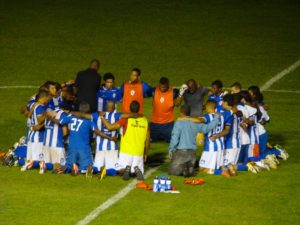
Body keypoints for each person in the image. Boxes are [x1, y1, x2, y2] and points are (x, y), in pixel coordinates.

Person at [49, 102, 114, 176]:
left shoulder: (71, 117)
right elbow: (98, 132)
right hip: (84, 148)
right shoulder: (89, 121)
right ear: (89, 110)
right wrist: (109, 137)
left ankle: (64, 169)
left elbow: (60, 122)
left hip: (72, 146)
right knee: (88, 166)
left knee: (68, 164)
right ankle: (81, 170)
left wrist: (49, 117)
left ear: (79, 109)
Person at [100, 101, 150, 181]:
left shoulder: (125, 120)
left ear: (129, 109)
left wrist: (102, 118)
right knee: (138, 169)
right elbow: (147, 140)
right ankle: (135, 170)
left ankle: (127, 169)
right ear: (139, 109)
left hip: (125, 152)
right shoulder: (145, 121)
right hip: (138, 152)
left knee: (119, 170)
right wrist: (145, 153)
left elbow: (110, 127)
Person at [70, 101, 122, 177]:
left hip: (99, 148)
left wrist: (70, 112)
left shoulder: (96, 115)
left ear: (105, 107)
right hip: (112, 147)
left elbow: (82, 115)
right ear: (114, 108)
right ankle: (105, 171)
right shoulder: (118, 115)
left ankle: (91, 169)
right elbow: (131, 115)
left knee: (96, 168)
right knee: (115, 170)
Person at [168, 104, 220, 177]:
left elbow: (175, 138)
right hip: (192, 153)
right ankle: (189, 166)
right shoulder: (195, 123)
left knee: (172, 171)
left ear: (181, 112)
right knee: (187, 167)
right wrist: (216, 118)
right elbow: (208, 127)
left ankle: (183, 168)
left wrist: (171, 150)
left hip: (181, 153)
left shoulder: (178, 123)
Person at [199, 100, 231, 177]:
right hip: (220, 145)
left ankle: (222, 173)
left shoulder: (208, 116)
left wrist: (187, 118)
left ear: (207, 106)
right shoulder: (221, 116)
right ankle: (229, 168)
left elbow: (199, 120)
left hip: (211, 146)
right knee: (217, 166)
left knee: (201, 169)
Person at [21, 90, 51, 173]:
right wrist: (48, 115)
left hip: (31, 132)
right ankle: (42, 167)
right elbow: (39, 120)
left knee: (31, 150)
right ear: (43, 97)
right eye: (48, 98)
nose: (48, 100)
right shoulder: (40, 107)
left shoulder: (32, 105)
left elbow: (26, 114)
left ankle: (27, 165)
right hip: (38, 133)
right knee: (39, 150)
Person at [150, 77, 181, 142]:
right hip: (155, 123)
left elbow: (177, 104)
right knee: (150, 139)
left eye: (164, 87)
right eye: (161, 87)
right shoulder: (154, 90)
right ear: (159, 85)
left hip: (168, 124)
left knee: (173, 140)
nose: (163, 89)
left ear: (168, 85)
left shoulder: (174, 92)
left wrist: (181, 95)